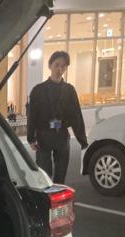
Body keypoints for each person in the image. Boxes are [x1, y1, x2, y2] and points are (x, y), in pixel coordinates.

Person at [27, 51, 88, 184]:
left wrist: (82, 140)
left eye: (63, 66)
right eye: (56, 65)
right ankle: (45, 196)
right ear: (50, 66)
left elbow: (76, 115)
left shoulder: (69, 90)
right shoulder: (38, 90)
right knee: (44, 174)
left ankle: (58, 196)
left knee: (61, 174)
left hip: (62, 136)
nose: (59, 69)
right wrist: (31, 137)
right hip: (43, 135)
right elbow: (32, 115)